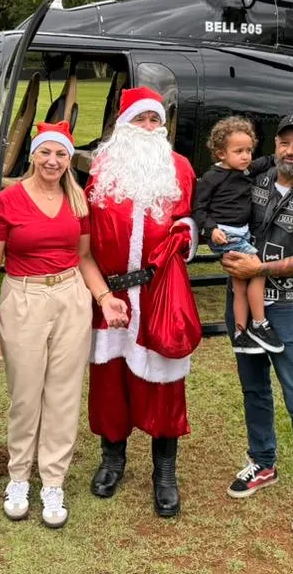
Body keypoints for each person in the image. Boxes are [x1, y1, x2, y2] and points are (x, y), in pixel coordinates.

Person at [0, 121, 129, 529]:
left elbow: (84, 258)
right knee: (25, 394)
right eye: (45, 151)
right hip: (24, 296)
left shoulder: (77, 201)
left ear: (69, 159)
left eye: (61, 153)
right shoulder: (7, 200)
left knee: (63, 394)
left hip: (70, 296)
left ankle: (53, 481)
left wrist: (104, 297)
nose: (53, 160)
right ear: (33, 154)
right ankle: (18, 477)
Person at [221, 113, 293, 535]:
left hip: (285, 307)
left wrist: (259, 268)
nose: (290, 151)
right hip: (240, 299)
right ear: (275, 144)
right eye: (284, 142)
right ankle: (263, 461)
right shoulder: (252, 177)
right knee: (253, 387)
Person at [85, 86, 200, 518]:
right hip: (112, 293)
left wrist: (184, 235)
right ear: (122, 125)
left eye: (155, 120)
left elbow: (187, 217)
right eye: (140, 119)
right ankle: (112, 459)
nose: (149, 127)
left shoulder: (179, 167)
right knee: (110, 380)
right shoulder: (102, 166)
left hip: (157, 290)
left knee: (164, 381)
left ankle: (164, 472)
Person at [194, 116, 283, 355]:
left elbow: (265, 162)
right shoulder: (212, 177)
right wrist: (211, 229)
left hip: (242, 233)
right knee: (258, 270)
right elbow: (198, 208)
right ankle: (259, 324)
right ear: (221, 154)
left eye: (248, 150)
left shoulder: (245, 170)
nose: (246, 156)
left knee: (240, 285)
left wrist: (281, 154)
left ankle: (240, 334)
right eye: (239, 151)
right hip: (226, 235)